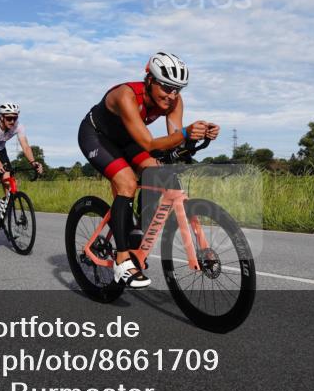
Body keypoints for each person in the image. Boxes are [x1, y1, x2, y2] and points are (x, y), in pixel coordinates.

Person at [77, 52, 219, 288]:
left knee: (156, 172)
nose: (172, 95)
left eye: (178, 89)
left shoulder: (173, 101)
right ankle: (122, 259)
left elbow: (175, 139)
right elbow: (150, 144)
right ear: (150, 80)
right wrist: (185, 132)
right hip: (97, 136)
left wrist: (197, 136)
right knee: (127, 183)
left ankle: (135, 232)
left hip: (128, 138)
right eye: (166, 87)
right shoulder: (126, 95)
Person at [0, 103, 43, 219]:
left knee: (8, 179)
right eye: (9, 118)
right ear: (2, 117)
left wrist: (33, 162)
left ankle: (5, 211)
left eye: (15, 117)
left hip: (1, 152)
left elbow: (25, 146)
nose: (12, 121)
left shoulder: (19, 126)